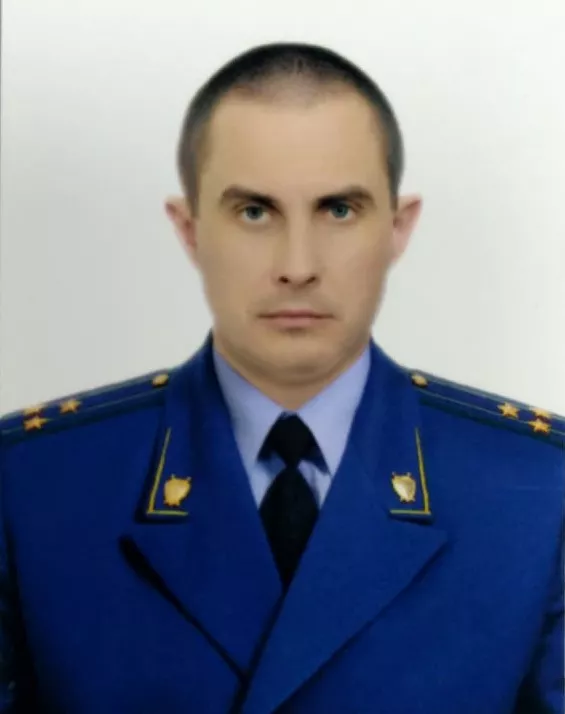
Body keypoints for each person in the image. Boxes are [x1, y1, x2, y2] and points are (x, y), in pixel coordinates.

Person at [0, 41, 563, 714]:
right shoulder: (30, 487)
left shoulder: (538, 497)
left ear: (398, 227)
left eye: (338, 209)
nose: (297, 266)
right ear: (189, 229)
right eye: (254, 212)